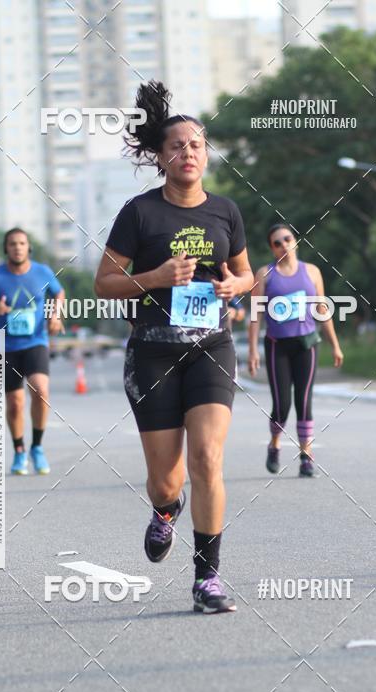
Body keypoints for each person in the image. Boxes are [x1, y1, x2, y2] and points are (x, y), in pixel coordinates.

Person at [94, 79, 254, 614]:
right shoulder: (139, 214)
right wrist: (158, 275)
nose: (189, 153)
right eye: (177, 147)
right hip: (153, 351)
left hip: (212, 344)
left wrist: (236, 285)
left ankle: (207, 578)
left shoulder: (227, 211)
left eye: (197, 145)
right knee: (166, 478)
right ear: (160, 159)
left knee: (208, 457)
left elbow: (246, 273)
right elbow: (104, 283)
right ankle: (166, 511)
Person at [248, 225, 343, 476]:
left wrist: (334, 345)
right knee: (282, 405)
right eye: (277, 243)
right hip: (277, 346)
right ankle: (275, 444)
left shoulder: (311, 272)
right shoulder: (265, 274)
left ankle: (306, 455)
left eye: (287, 239)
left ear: (296, 242)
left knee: (304, 402)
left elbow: (322, 310)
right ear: (272, 248)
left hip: (307, 345)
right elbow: (255, 316)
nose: (284, 245)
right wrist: (253, 351)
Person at [0, 228, 64, 475]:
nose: (17, 247)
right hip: (7, 346)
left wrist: (55, 315)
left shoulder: (42, 272)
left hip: (36, 342)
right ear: (6, 248)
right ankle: (20, 450)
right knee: (14, 403)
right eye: (12, 244)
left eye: (22, 243)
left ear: (28, 247)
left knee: (40, 390)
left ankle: (36, 447)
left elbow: (59, 293)